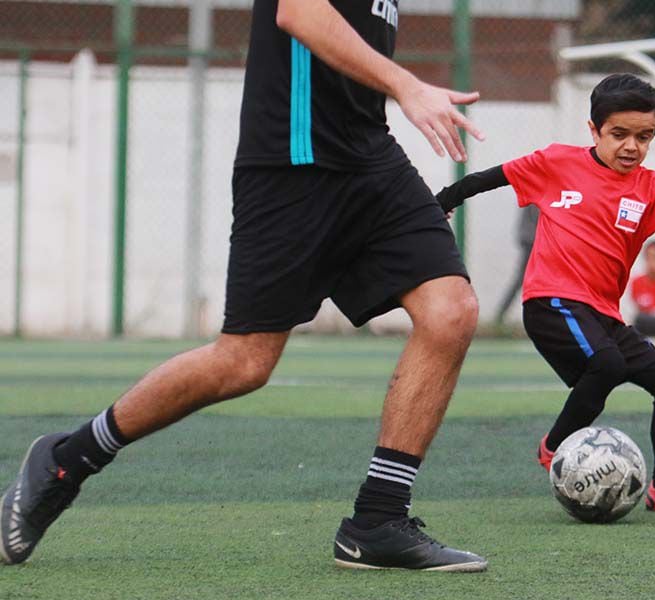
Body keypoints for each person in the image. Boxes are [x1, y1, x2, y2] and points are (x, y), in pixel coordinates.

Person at [1, 0, 490, 572]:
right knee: (243, 363)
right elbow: (299, 13)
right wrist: (407, 85)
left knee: (451, 310)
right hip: (290, 164)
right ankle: (68, 459)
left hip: (370, 156)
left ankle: (377, 519)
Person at [436, 74, 655, 513]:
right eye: (619, 134)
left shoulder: (650, 189)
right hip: (552, 300)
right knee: (608, 364)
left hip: (602, 313)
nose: (631, 146)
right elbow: (492, 177)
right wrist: (443, 200)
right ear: (594, 130)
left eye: (644, 137)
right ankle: (554, 447)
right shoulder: (556, 162)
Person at [494, 205, 539, 325]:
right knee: (523, 279)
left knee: (529, 280)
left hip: (532, 239)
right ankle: (501, 314)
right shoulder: (538, 193)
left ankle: (502, 314)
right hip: (533, 240)